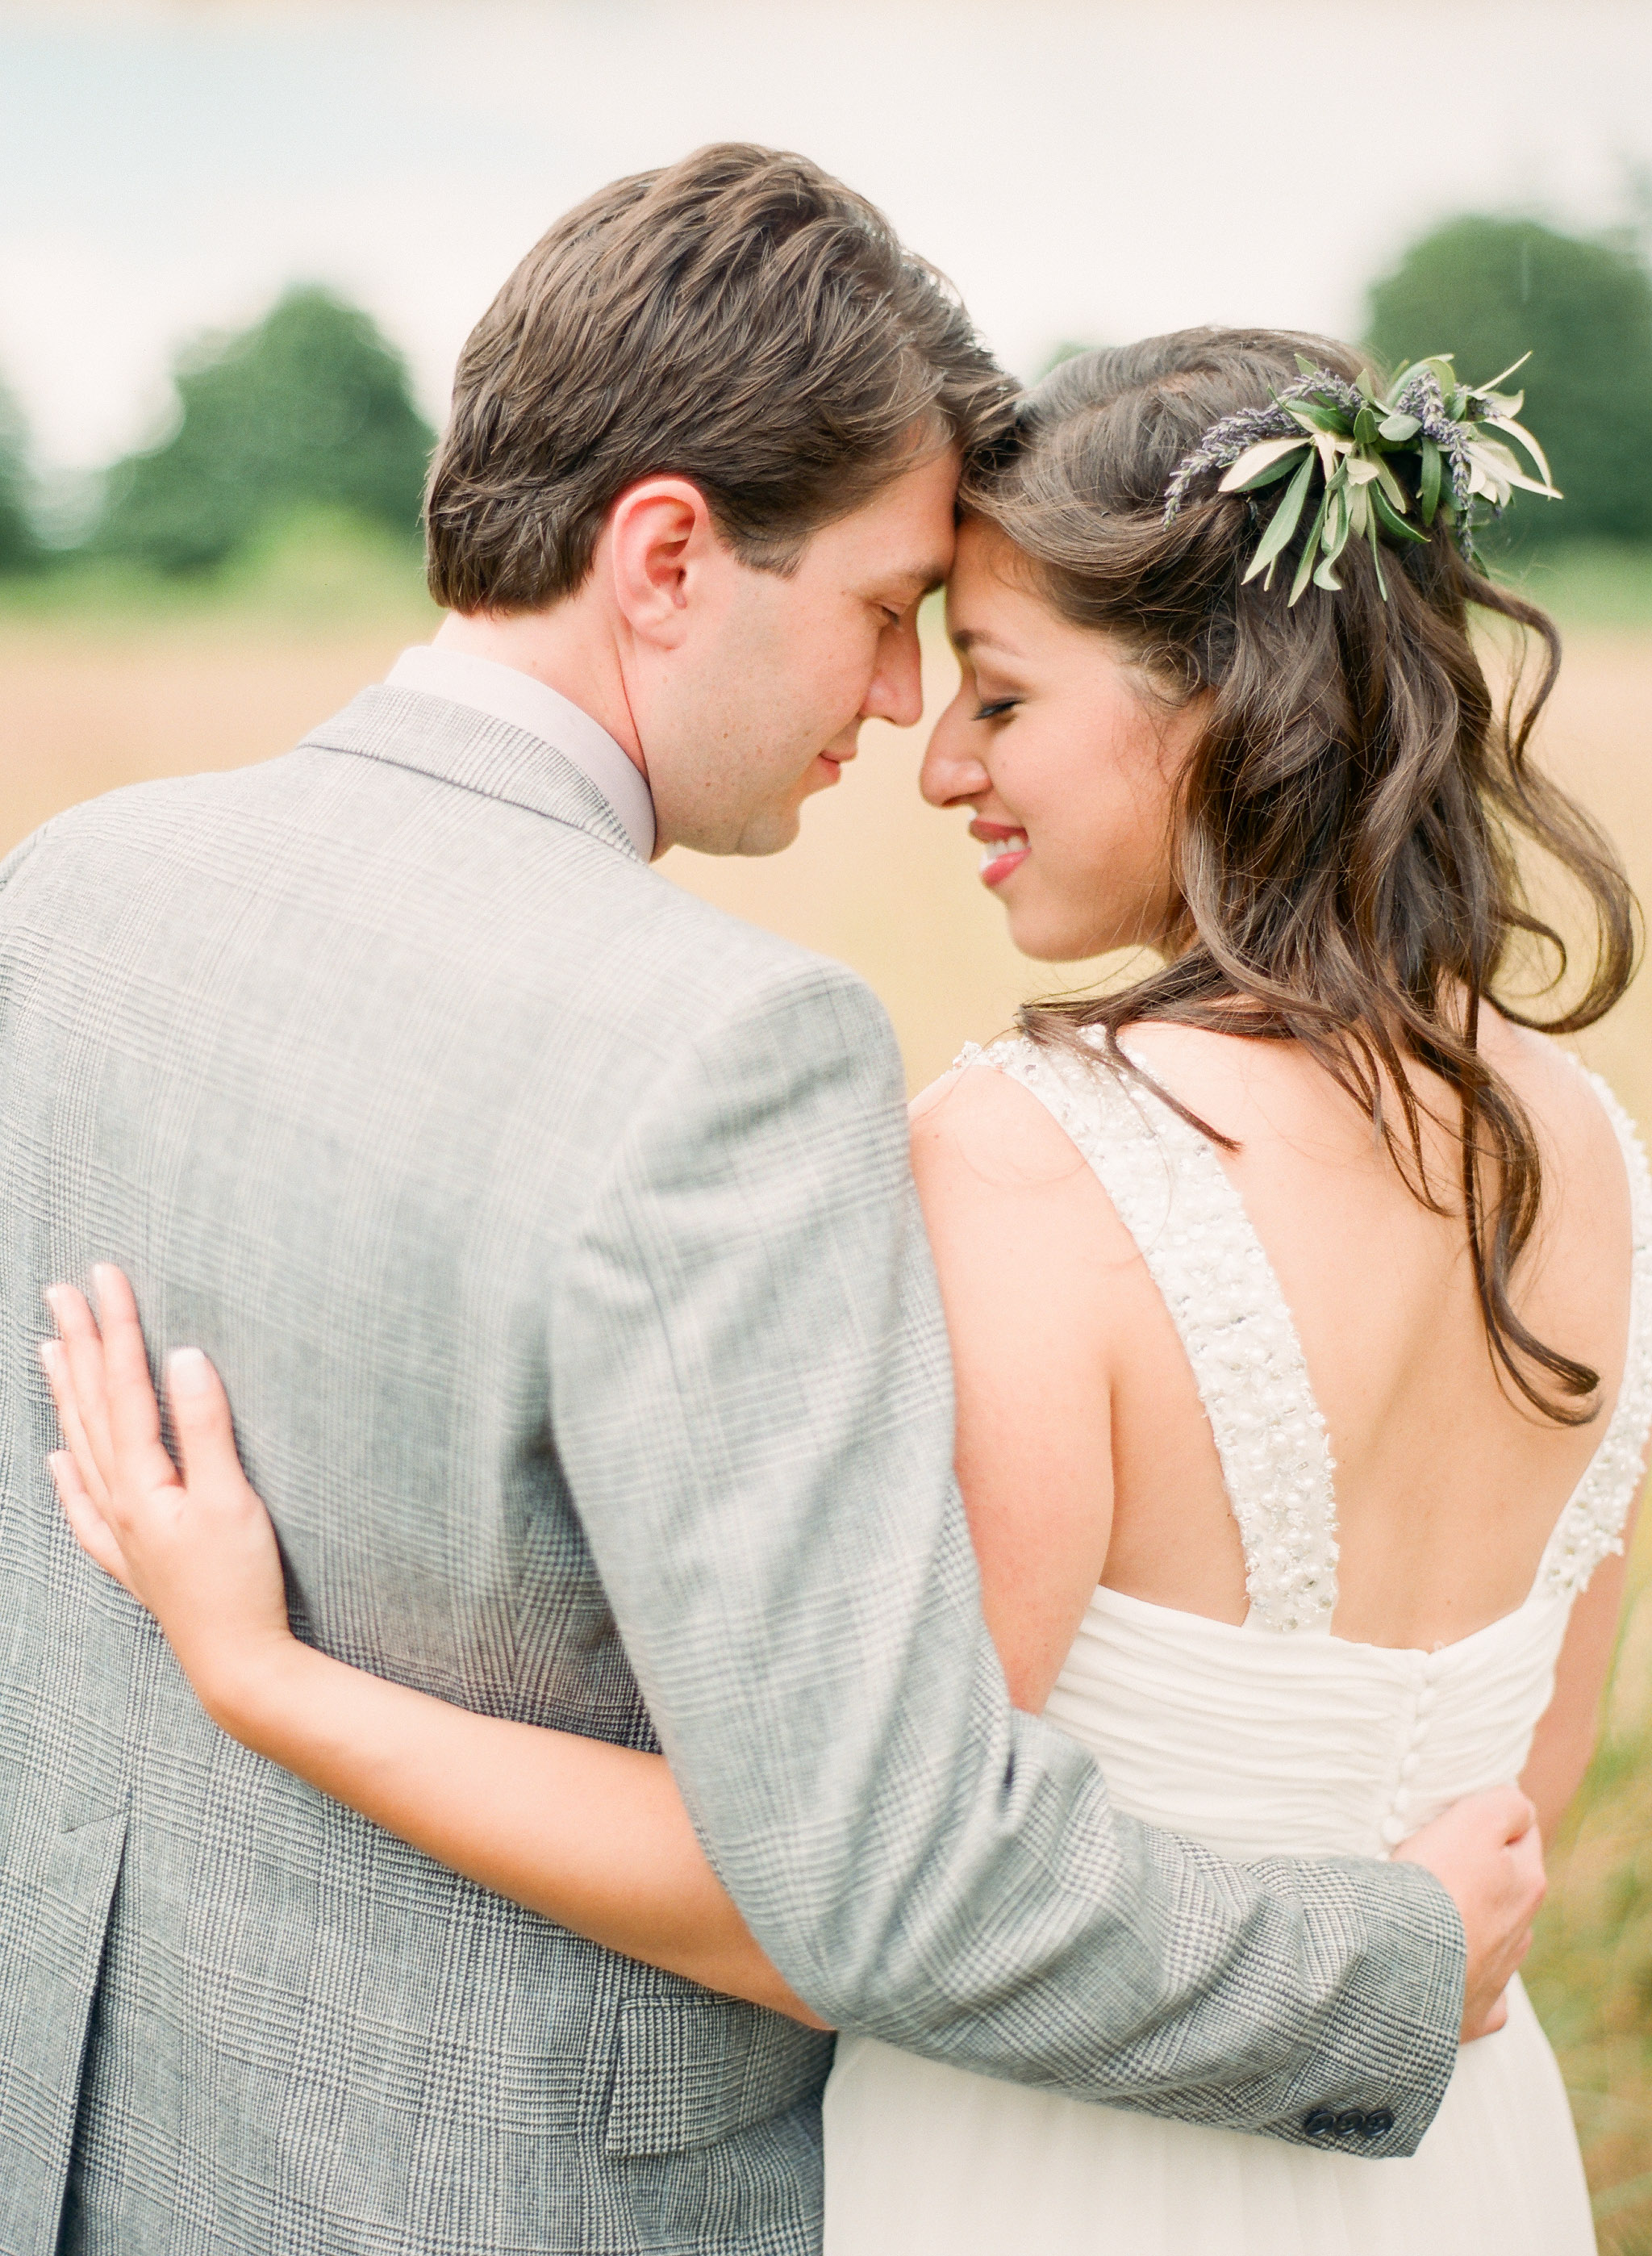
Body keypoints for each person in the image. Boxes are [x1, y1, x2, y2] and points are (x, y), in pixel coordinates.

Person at [7, 149, 1535, 2256]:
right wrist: (1383, 1975)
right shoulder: (730, 1052)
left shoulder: (74, 893)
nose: (901, 704)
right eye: (888, 612)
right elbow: (886, 1875)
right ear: (663, 559)